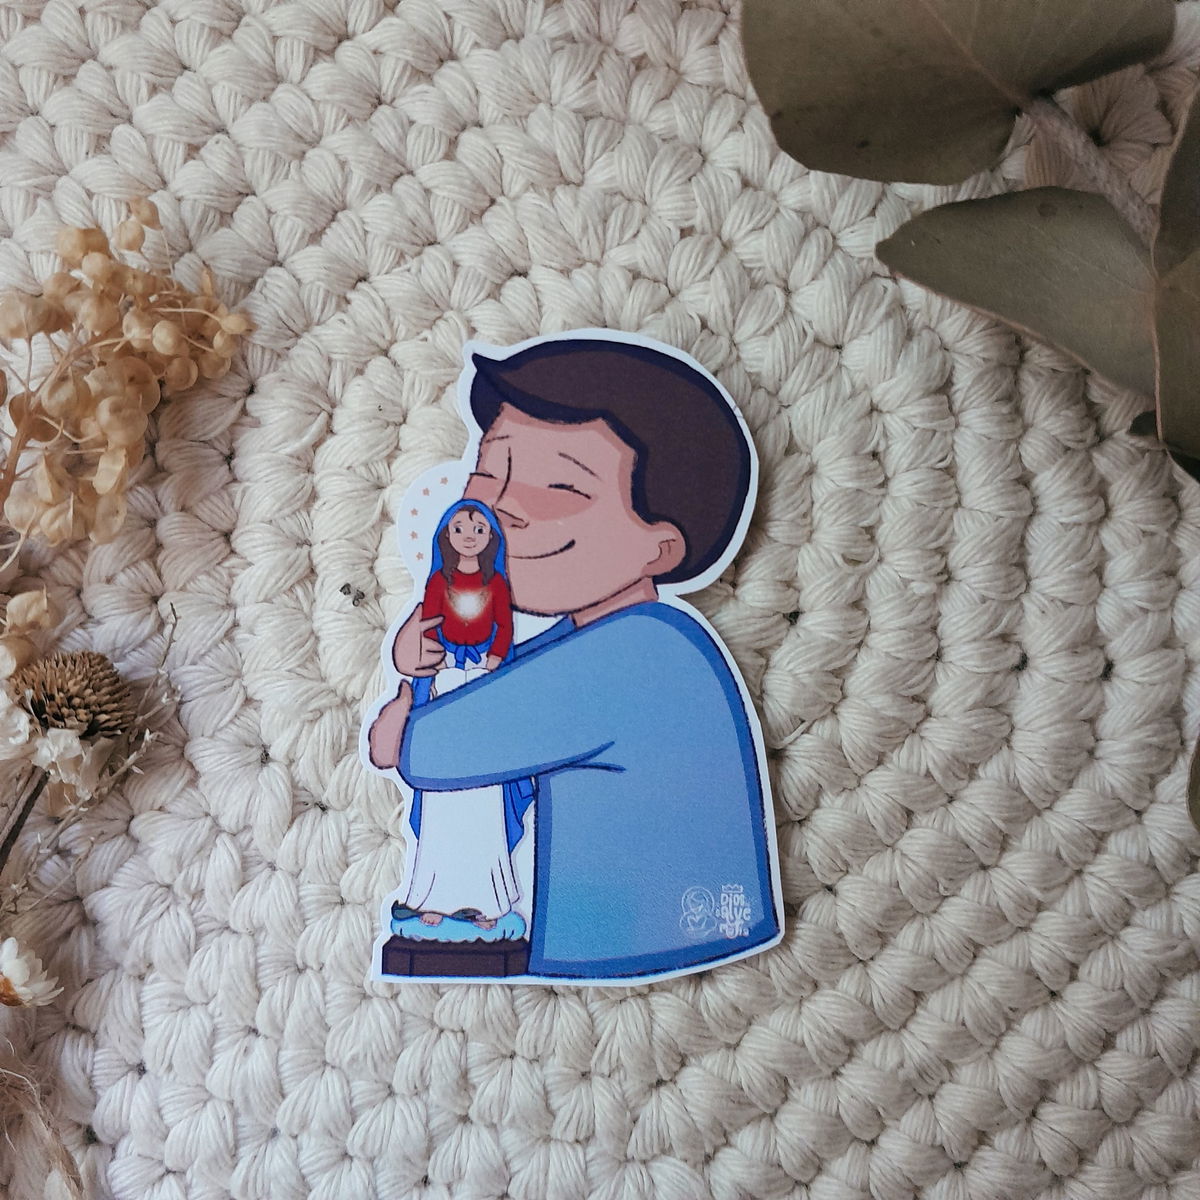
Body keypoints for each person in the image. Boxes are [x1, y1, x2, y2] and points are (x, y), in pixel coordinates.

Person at [369, 335, 782, 981]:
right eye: (488, 473)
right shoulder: (597, 637)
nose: (501, 508)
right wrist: (422, 658)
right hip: (628, 939)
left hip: (652, 941)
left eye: (558, 489)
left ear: (659, 548)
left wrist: (409, 715)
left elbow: (440, 747)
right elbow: (485, 689)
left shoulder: (642, 650)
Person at [384, 499, 531, 942]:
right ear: (446, 536)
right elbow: (429, 626)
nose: (469, 535)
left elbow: (504, 628)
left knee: (482, 794)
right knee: (441, 796)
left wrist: (494, 660)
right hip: (444, 682)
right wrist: (435, 662)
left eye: (479, 529)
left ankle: (488, 902)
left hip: (483, 684)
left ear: (491, 539)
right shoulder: (438, 582)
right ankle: (433, 896)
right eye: (460, 528)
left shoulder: (497, 585)